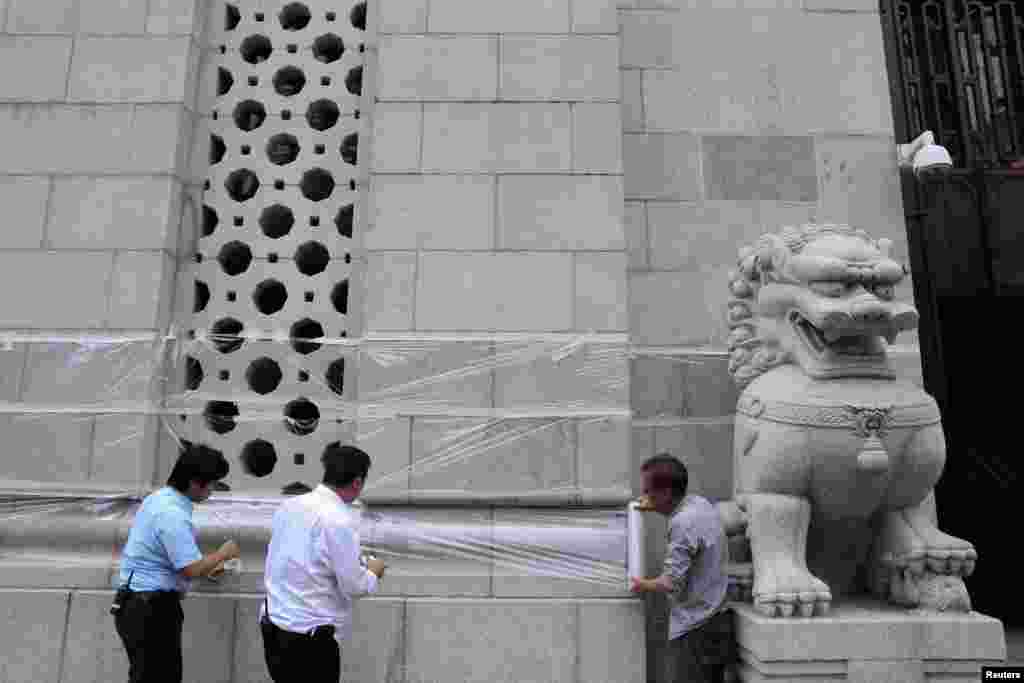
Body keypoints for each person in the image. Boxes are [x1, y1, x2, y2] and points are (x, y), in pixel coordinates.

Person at [112, 441, 241, 683]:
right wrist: (223, 553)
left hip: (138, 604)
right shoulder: (172, 513)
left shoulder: (159, 499)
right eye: (212, 483)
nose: (212, 490)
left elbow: (171, 560)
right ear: (195, 483)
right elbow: (190, 568)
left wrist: (208, 566)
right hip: (151, 610)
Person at [260, 443, 387, 683]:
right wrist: (372, 571)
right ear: (357, 482)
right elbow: (354, 586)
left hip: (275, 628)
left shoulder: (289, 506)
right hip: (309, 643)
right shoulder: (339, 519)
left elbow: (300, 560)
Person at [631, 453, 733, 683]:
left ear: (666, 493)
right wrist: (653, 506)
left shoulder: (682, 523)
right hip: (717, 618)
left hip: (695, 629)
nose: (644, 496)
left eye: (648, 491)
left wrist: (640, 583)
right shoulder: (700, 504)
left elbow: (670, 582)